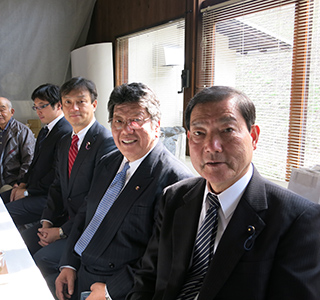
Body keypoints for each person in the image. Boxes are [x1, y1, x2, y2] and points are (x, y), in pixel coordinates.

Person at [127, 86, 320, 300]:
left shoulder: (299, 219)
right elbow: (148, 279)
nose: (212, 146)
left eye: (227, 130)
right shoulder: (174, 197)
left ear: (253, 137)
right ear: (190, 139)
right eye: (199, 133)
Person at [55, 82, 194, 300]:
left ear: (157, 125)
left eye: (136, 120)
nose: (126, 130)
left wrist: (110, 291)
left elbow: (166, 258)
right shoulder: (108, 162)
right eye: (118, 121)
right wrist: (69, 263)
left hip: (119, 288)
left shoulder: (177, 182)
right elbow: (86, 214)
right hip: (81, 269)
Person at [21, 77, 116, 292]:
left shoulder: (106, 142)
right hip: (63, 219)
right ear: (61, 106)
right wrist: (47, 221)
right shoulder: (66, 140)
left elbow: (96, 201)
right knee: (22, 242)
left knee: (41, 259)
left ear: (94, 104)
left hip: (87, 229)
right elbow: (57, 185)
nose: (74, 108)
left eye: (81, 101)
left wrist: (61, 232)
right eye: (67, 102)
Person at [0, 84, 72, 226]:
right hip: (33, 189)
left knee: (3, 215)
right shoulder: (46, 130)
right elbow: (34, 164)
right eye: (36, 107)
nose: (38, 111)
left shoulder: (66, 132)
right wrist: (22, 184)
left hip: (48, 196)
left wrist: (27, 192)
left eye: (42, 106)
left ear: (58, 105)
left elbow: (56, 174)